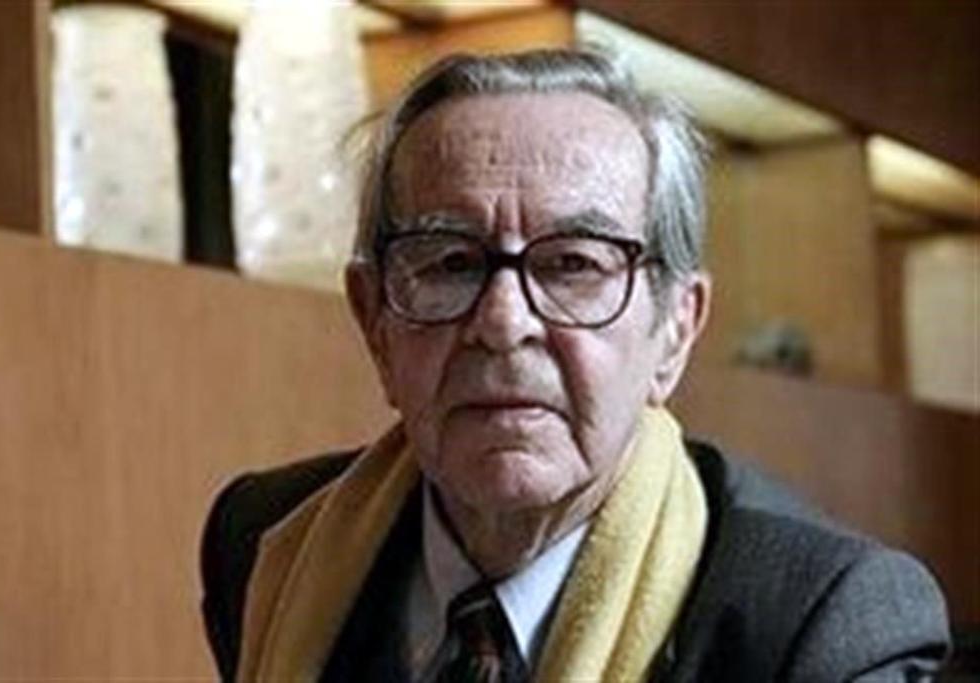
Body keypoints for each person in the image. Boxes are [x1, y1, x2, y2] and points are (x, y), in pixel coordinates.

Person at [200, 49, 950, 682]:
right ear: (374, 323)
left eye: (573, 265)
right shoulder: (272, 547)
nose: (504, 324)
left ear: (675, 330)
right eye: (451, 262)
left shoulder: (821, 625)